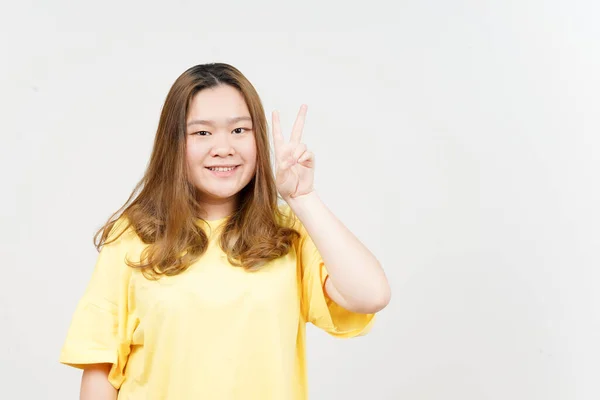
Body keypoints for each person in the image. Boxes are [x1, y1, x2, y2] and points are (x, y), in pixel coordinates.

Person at [59, 62, 391, 400]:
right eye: (202, 132)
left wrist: (303, 198)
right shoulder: (133, 234)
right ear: (175, 143)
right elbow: (101, 368)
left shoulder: (286, 232)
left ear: (258, 138)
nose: (223, 147)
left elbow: (371, 295)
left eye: (239, 131)